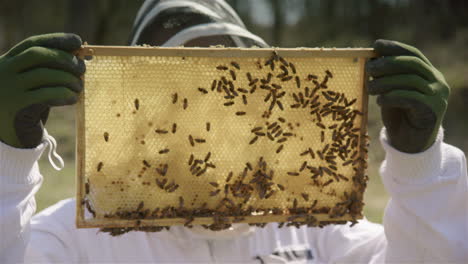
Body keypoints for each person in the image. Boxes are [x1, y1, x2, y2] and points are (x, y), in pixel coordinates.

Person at [0, 0, 466, 263]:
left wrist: (422, 167)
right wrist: (6, 160)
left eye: (234, 87)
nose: (216, 110)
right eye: (184, 89)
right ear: (138, 112)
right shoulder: (70, 238)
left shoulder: (317, 227)